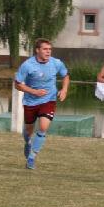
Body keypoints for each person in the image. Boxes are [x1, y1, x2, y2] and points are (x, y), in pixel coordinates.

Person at [14, 39, 69, 169]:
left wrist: (64, 90)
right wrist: (34, 91)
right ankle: (28, 142)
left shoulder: (56, 63)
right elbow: (17, 84)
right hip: (30, 101)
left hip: (49, 99)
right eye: (45, 49)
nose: (48, 52)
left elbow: (66, 75)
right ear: (37, 50)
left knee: (43, 127)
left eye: (50, 49)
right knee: (29, 130)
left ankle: (32, 158)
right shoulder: (27, 65)